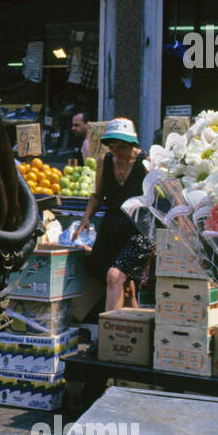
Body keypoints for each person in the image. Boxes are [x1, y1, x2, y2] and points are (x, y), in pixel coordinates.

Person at [76, 118, 153, 312]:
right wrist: (86, 218)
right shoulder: (106, 160)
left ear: (132, 145)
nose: (116, 152)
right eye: (112, 147)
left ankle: (109, 333)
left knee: (115, 276)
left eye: (121, 147)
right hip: (112, 228)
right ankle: (135, 335)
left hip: (138, 231)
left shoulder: (146, 163)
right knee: (127, 289)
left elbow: (158, 199)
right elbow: (97, 195)